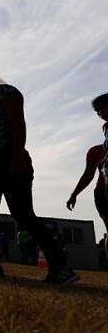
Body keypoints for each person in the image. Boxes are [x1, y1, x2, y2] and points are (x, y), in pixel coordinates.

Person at [0, 56, 79, 285]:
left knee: (22, 213)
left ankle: (61, 266)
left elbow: (18, 124)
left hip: (8, 156)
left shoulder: (7, 92)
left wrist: (16, 156)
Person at [66, 94, 108, 237]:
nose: (100, 113)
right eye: (97, 110)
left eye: (103, 107)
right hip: (103, 191)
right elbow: (88, 175)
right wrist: (74, 194)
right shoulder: (95, 151)